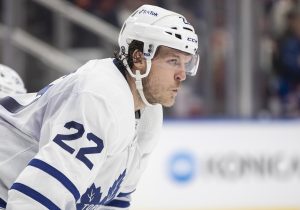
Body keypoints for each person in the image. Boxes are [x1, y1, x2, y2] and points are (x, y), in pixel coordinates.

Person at [0, 4, 199, 209]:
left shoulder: (150, 113)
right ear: (139, 58)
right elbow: (35, 197)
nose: (182, 75)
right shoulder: (99, 95)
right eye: (173, 61)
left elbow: (112, 199)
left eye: (187, 63)